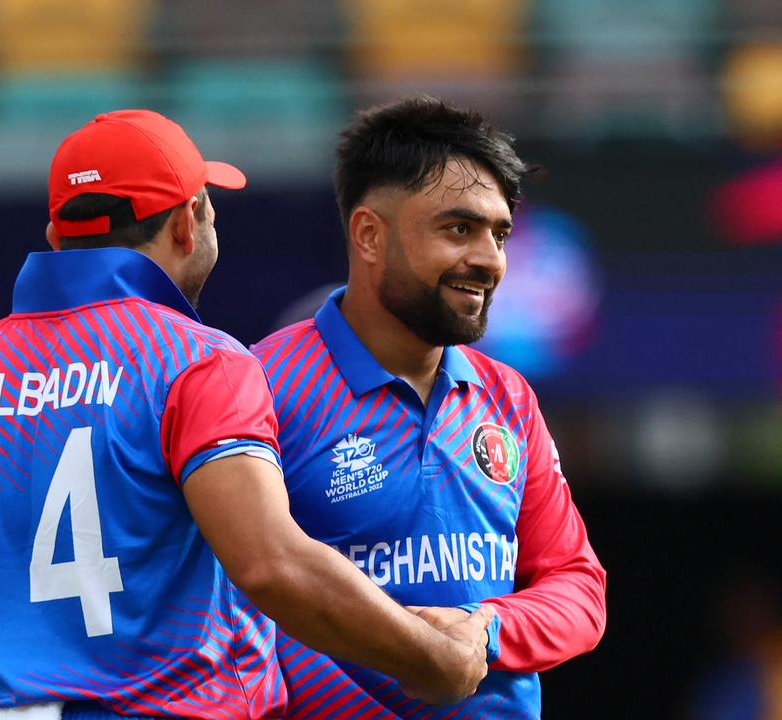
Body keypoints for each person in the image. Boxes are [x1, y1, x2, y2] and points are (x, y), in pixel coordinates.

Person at [0, 109, 498, 720]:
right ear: (191, 221)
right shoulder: (195, 360)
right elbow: (272, 564)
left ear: (56, 236)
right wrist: (432, 655)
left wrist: (0, 703)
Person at [252, 97, 608, 719]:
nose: (490, 261)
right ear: (369, 234)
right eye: (458, 229)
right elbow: (230, 593)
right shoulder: (262, 384)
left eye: (500, 234)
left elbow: (578, 591)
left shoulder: (509, 396)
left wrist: (484, 629)